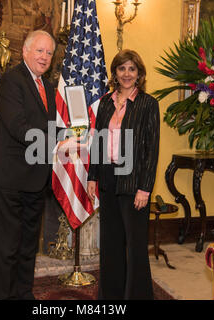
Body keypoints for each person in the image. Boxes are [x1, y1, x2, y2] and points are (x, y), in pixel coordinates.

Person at [0, 30, 57, 300]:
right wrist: (56, 145)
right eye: (39, 51)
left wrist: (71, 136)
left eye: (49, 52)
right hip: (10, 179)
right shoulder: (10, 82)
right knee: (6, 247)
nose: (44, 57)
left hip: (36, 178)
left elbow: (49, 127)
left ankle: (24, 295)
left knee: (29, 246)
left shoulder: (47, 87)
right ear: (25, 52)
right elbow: (20, 128)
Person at [87, 49, 160, 300]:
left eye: (132, 69)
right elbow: (98, 141)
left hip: (134, 183)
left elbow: (152, 149)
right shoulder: (105, 102)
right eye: (122, 69)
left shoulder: (148, 104)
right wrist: (91, 177)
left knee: (136, 248)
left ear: (139, 74)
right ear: (115, 73)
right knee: (110, 246)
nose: (127, 74)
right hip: (107, 179)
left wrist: (145, 188)